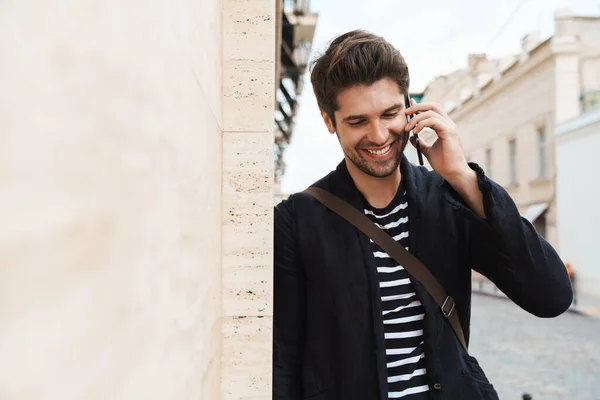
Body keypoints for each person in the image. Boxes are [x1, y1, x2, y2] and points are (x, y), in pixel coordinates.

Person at [273, 30, 573, 400]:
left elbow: (551, 296)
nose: (379, 134)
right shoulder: (296, 220)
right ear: (328, 121)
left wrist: (464, 177)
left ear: (410, 107)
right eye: (357, 121)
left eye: (390, 113)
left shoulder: (448, 199)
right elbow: (283, 358)